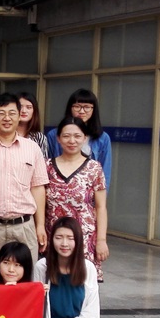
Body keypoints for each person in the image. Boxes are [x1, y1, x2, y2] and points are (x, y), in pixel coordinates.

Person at [0, 93, 48, 280]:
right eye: (1, 113)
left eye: (12, 113)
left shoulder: (32, 148)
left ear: (19, 116)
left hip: (24, 226)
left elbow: (38, 188)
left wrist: (40, 226)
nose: (7, 118)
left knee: (25, 281)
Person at [46, 117, 109, 282]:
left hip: (84, 238)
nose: (72, 141)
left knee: (84, 285)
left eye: (77, 136)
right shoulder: (47, 167)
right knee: (52, 284)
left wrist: (101, 240)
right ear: (58, 138)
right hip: (54, 237)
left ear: (85, 138)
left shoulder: (94, 168)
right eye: (66, 136)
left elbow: (101, 207)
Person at [46, 89, 112, 190]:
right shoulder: (54, 135)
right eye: (77, 106)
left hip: (88, 193)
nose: (81, 111)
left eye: (87, 107)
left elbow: (105, 173)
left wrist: (101, 197)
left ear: (93, 109)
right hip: (58, 191)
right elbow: (48, 167)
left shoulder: (102, 138)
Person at [17, 91, 50, 158]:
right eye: (20, 107)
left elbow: (43, 162)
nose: (24, 111)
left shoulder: (39, 138)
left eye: (29, 107)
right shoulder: (6, 135)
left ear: (34, 111)